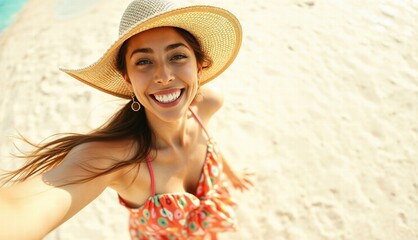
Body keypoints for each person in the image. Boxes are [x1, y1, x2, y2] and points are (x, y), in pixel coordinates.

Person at [0, 0, 253, 239]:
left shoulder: (208, 103)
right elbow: (19, 209)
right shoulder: (116, 158)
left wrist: (231, 172)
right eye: (143, 61)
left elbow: (208, 138)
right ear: (127, 78)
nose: (164, 76)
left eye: (177, 56)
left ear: (199, 65)